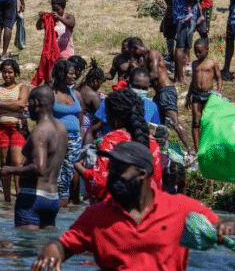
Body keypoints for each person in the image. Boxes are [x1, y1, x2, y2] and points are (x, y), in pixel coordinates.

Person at [31, 141, 235, 271]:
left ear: (143, 174)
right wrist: (51, 250)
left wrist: (225, 227)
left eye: (121, 170)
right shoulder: (96, 217)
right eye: (111, 170)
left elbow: (221, 225)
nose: (112, 177)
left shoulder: (180, 208)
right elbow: (63, 246)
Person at [78, 87, 163, 204]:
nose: (106, 120)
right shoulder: (152, 141)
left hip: (116, 211)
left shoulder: (112, 140)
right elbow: (157, 180)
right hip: (147, 208)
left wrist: (81, 169)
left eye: (107, 116)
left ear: (115, 120)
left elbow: (100, 183)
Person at [0, 86, 67, 229]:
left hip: (32, 198)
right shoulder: (61, 128)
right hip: (53, 199)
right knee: (45, 248)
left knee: (27, 248)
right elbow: (48, 154)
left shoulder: (40, 132)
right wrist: (26, 135)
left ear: (35, 102)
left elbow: (39, 168)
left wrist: (9, 170)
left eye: (28, 103)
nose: (26, 107)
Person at [0, 59, 30, 202]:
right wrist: (14, 104)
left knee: (17, 163)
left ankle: (19, 196)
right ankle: (7, 198)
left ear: (16, 73)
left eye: (10, 72)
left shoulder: (22, 87)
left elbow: (22, 104)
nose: (7, 75)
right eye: (4, 72)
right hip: (1, 129)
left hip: (17, 128)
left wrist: (1, 103)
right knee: (4, 162)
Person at [51, 59, 83, 206]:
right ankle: (55, 203)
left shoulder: (76, 94)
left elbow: (80, 119)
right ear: (61, 74)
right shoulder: (50, 94)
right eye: (71, 74)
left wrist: (81, 137)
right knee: (56, 172)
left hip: (75, 140)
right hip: (56, 139)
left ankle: (65, 202)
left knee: (69, 173)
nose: (74, 76)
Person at [189, 37, 222, 151]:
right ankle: (198, 150)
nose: (197, 54)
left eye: (200, 51)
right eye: (195, 51)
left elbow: (219, 78)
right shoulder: (194, 64)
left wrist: (218, 92)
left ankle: (210, 145)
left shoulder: (211, 63)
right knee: (196, 121)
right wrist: (189, 95)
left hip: (208, 95)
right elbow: (193, 81)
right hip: (196, 94)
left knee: (209, 120)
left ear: (207, 50)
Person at [172, 0, 201, 83]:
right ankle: (180, 77)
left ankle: (178, 76)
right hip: (185, 16)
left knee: (182, 46)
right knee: (181, 47)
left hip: (179, 15)